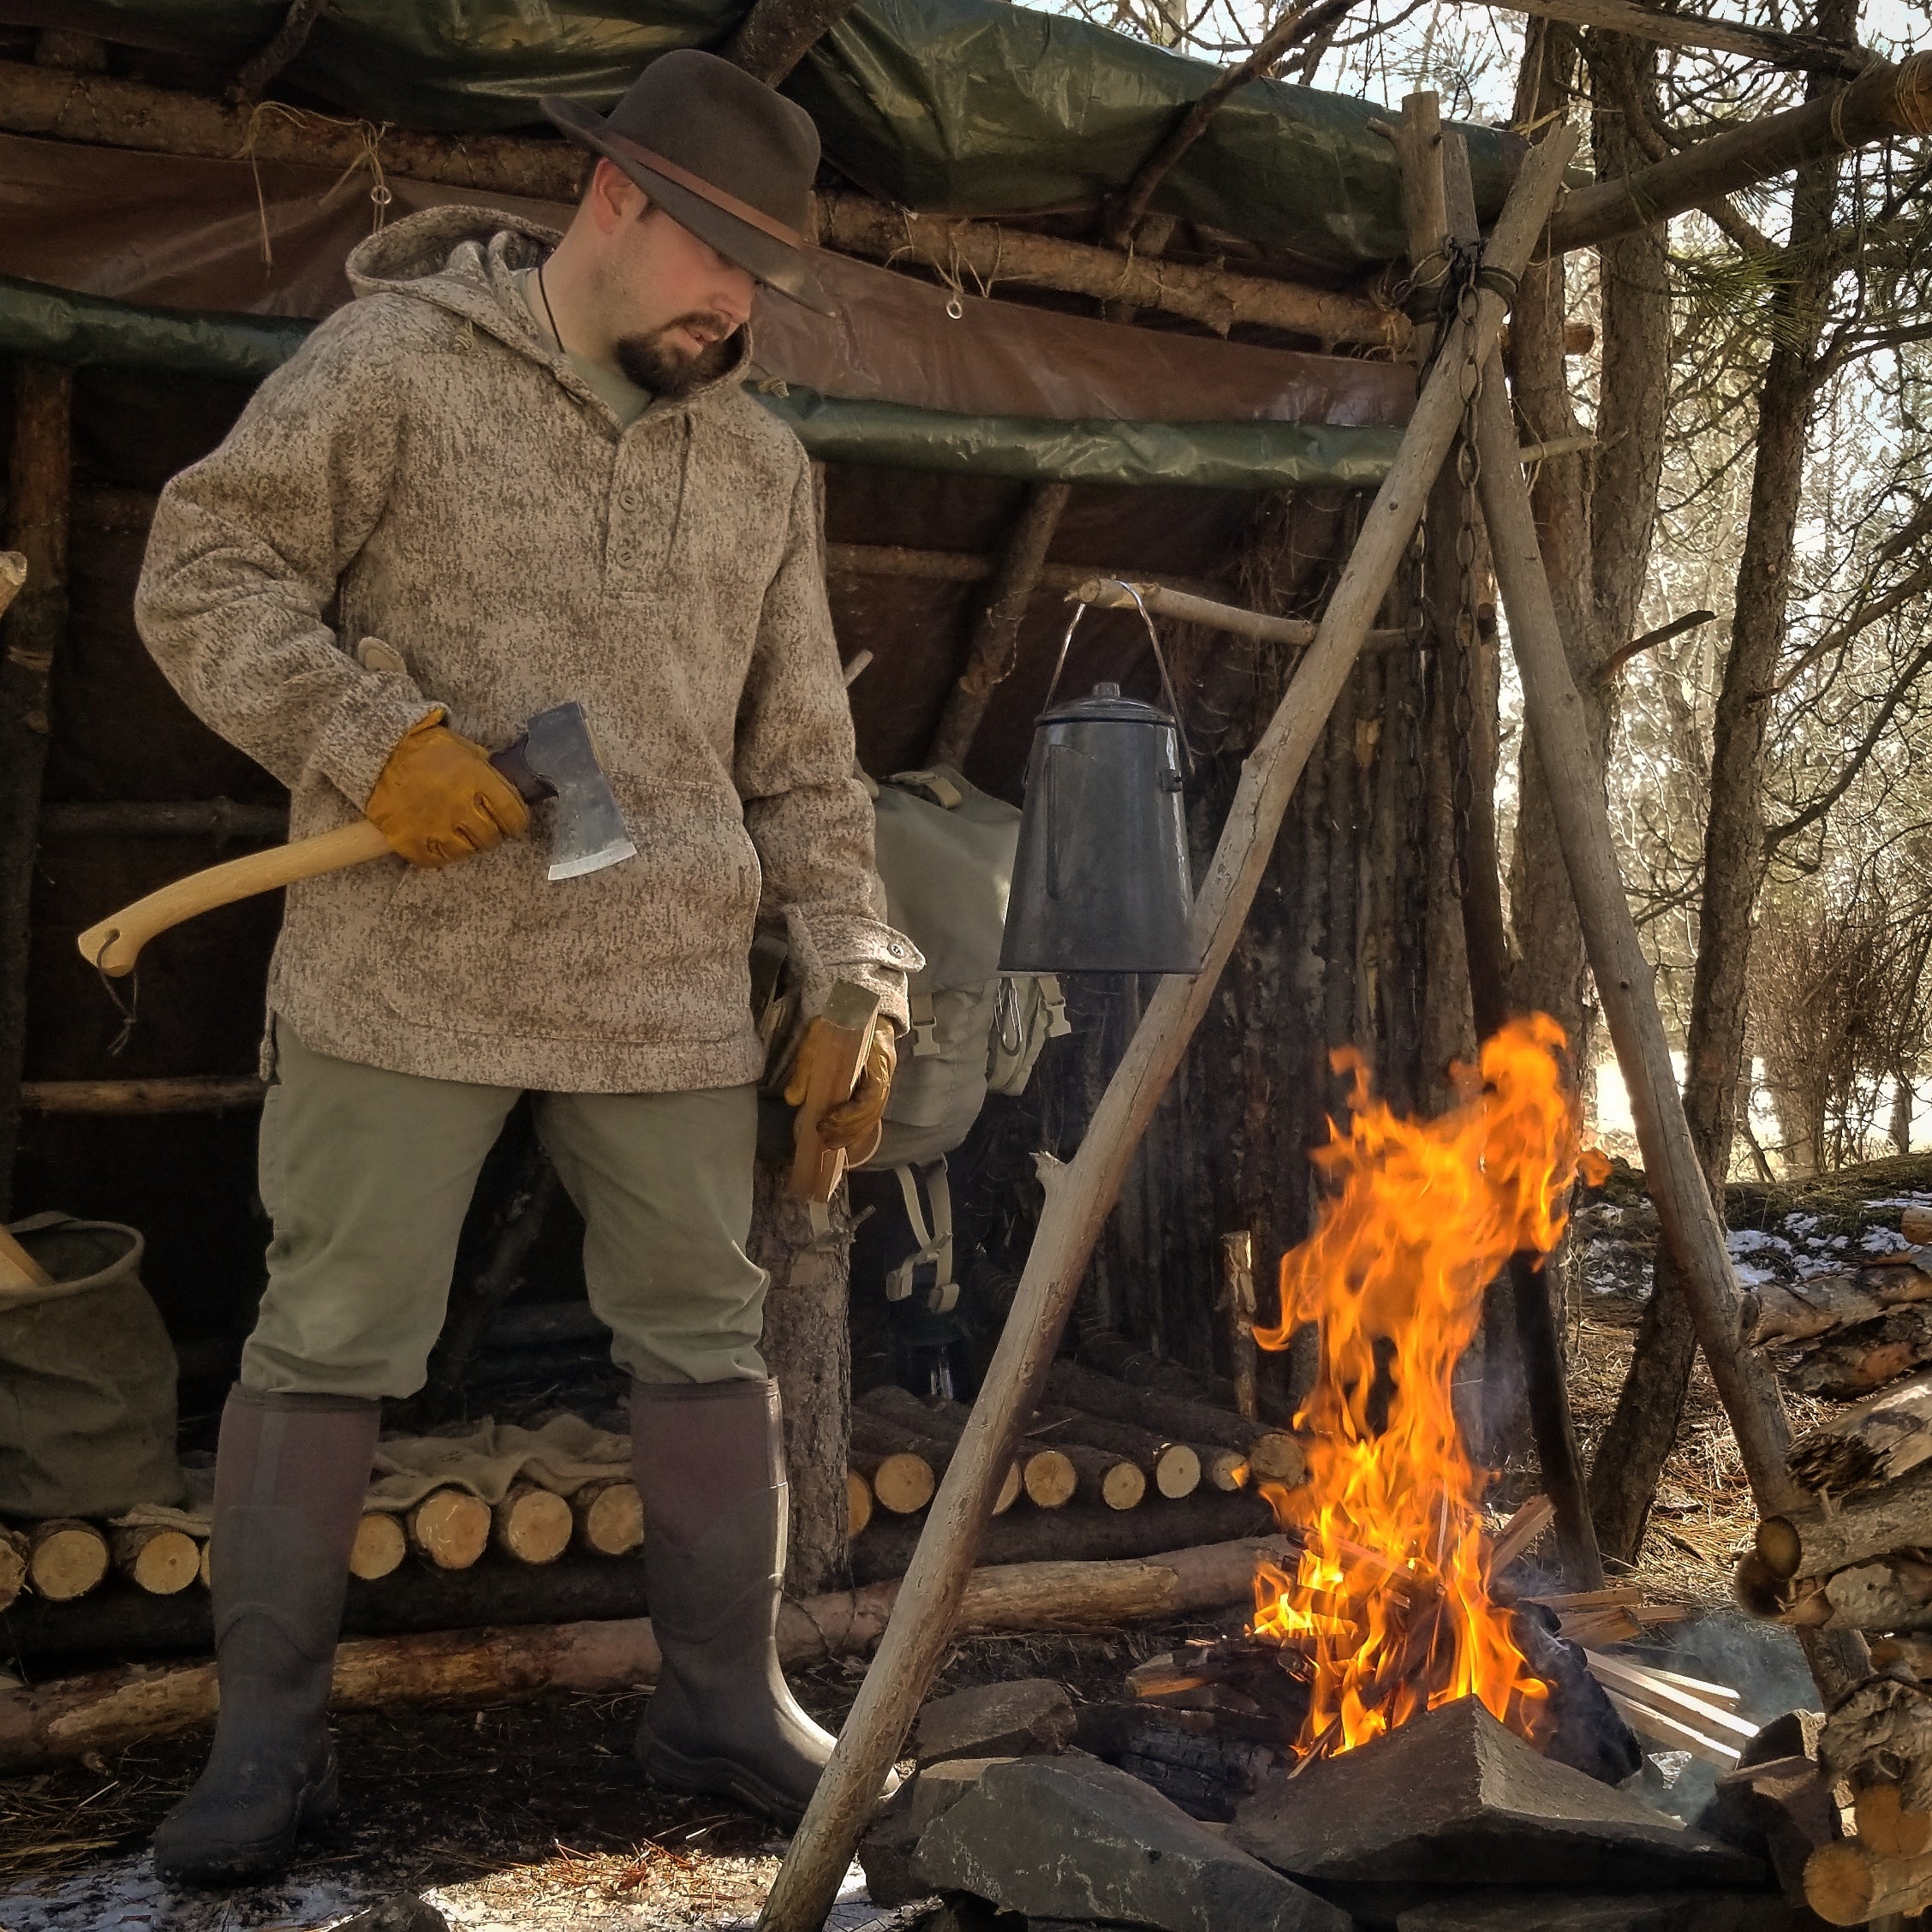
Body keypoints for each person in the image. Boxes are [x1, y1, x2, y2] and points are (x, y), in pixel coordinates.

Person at [132, 50, 916, 1886]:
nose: (737, 312)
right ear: (617, 199)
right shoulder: (394, 365)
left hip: (659, 984)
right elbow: (202, 568)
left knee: (706, 1338)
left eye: (765, 287)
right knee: (323, 1341)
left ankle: (723, 1701)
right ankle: (266, 1751)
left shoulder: (761, 463)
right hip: (405, 970)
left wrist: (856, 955)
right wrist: (365, 733)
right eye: (719, 261)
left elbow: (803, 759)